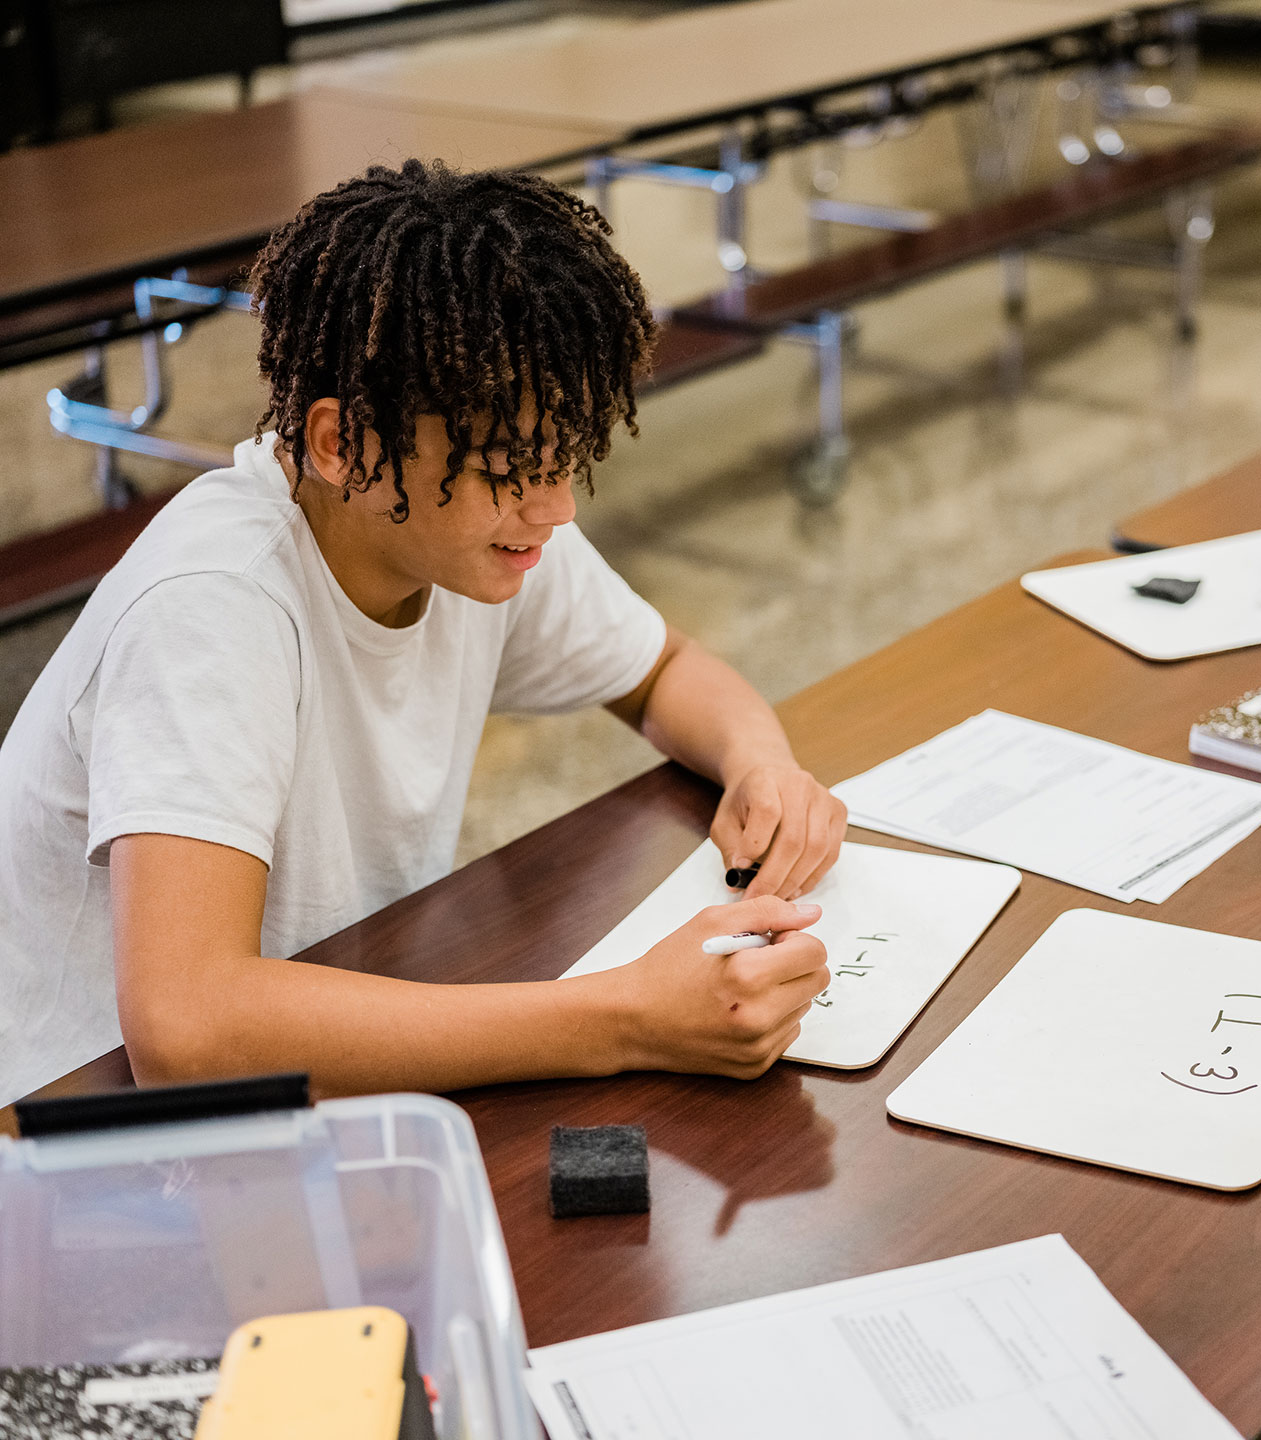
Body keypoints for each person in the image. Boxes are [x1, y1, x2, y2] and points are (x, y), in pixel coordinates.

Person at [0, 161, 848, 1107]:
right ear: (341, 443)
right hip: (76, 1132)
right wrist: (625, 1017)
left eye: (567, 459)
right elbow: (185, 1031)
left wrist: (760, 764)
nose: (558, 505)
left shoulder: (471, 525)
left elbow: (665, 671)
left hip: (316, 1049)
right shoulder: (215, 604)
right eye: (512, 467)